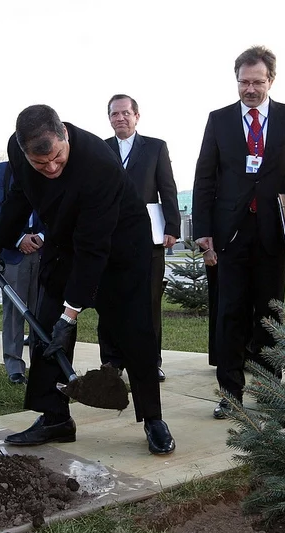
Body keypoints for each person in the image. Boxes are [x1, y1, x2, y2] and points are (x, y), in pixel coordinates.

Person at [0, 105, 175, 455]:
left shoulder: (99, 163)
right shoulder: (18, 153)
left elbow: (94, 248)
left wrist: (72, 313)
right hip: (64, 243)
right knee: (46, 327)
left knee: (134, 332)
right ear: (23, 151)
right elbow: (20, 197)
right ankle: (54, 418)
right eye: (41, 164)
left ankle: (153, 418)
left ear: (65, 135)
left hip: (120, 248)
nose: (50, 169)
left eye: (57, 160)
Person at [192, 45, 285, 419]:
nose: (250, 89)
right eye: (243, 82)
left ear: (271, 80)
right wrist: (203, 230)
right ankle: (230, 393)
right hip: (230, 233)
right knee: (230, 314)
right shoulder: (218, 120)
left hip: (272, 232)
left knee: (269, 313)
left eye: (257, 82)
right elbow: (204, 178)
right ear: (236, 81)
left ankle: (271, 391)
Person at [103, 94, 181, 382]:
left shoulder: (155, 148)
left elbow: (167, 188)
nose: (120, 118)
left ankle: (151, 361)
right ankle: (111, 363)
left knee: (148, 303)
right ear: (109, 118)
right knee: (111, 302)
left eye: (125, 113)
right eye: (114, 114)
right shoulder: (101, 149)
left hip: (148, 239)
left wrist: (172, 226)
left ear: (137, 116)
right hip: (110, 240)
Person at [0, 161, 44, 385]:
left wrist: (42, 236)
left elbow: (61, 206)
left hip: (44, 250)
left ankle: (41, 365)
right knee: (13, 313)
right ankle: (15, 368)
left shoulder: (49, 165)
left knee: (42, 311)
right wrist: (18, 238)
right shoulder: (5, 170)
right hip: (13, 251)